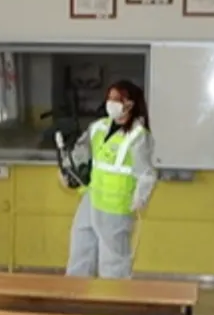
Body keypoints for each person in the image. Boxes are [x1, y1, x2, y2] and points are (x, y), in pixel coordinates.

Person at [65, 80, 156, 279]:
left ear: (130, 104)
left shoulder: (138, 136)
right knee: (80, 251)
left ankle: (114, 297)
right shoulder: (98, 127)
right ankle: (75, 294)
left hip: (116, 207)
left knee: (113, 263)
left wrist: (140, 197)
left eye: (117, 99)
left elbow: (146, 173)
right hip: (91, 199)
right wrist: (69, 167)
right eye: (109, 98)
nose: (111, 103)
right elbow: (81, 152)